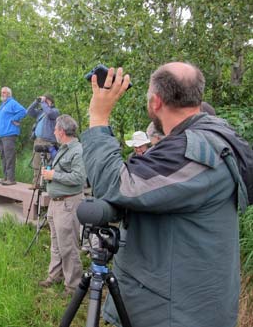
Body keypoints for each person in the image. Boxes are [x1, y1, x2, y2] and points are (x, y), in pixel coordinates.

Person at [81, 62, 253, 327]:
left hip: (176, 313)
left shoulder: (192, 152)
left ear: (156, 102)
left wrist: (98, 119)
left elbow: (115, 184)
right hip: (193, 304)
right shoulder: (218, 138)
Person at [39, 114, 87, 297]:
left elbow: (79, 178)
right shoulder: (64, 149)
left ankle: (73, 286)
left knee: (68, 245)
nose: (53, 132)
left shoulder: (77, 150)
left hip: (68, 203)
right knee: (56, 243)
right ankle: (55, 276)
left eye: (55, 129)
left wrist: (54, 176)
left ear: (61, 131)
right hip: (56, 203)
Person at [27, 93, 60, 188]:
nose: (43, 102)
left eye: (45, 100)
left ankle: (48, 185)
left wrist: (43, 103)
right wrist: (36, 101)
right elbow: (29, 111)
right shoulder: (41, 112)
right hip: (38, 140)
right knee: (36, 162)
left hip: (49, 141)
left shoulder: (55, 111)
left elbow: (49, 114)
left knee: (49, 163)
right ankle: (36, 183)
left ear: (50, 101)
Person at [0, 86, 26, 186]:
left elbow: (23, 111)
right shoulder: (3, 105)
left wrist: (14, 119)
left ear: (9, 94)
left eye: (4, 92)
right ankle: (5, 177)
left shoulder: (12, 103)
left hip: (9, 134)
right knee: (3, 156)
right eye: (1, 92)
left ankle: (11, 178)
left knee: (9, 157)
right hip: (2, 134)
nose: (2, 94)